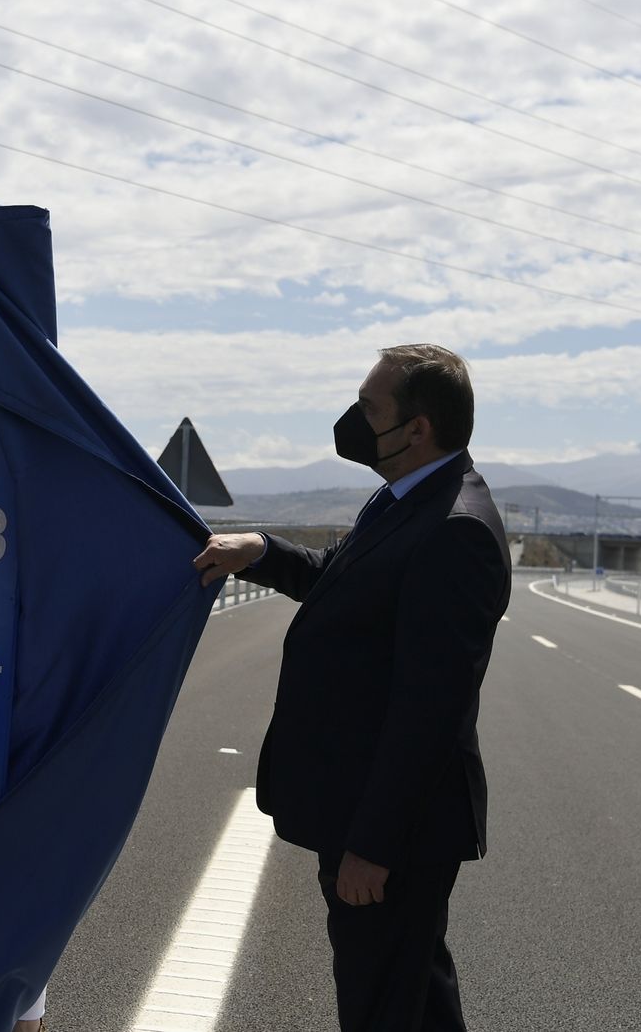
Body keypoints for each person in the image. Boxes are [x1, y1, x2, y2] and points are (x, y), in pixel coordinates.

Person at [193, 344, 509, 1032]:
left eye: (369, 407)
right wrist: (263, 552)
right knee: (413, 996)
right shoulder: (408, 498)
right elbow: (346, 580)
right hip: (367, 810)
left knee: (380, 1005)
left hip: (394, 831)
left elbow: (431, 710)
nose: (352, 419)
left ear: (418, 427)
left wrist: (375, 843)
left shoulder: (454, 529)